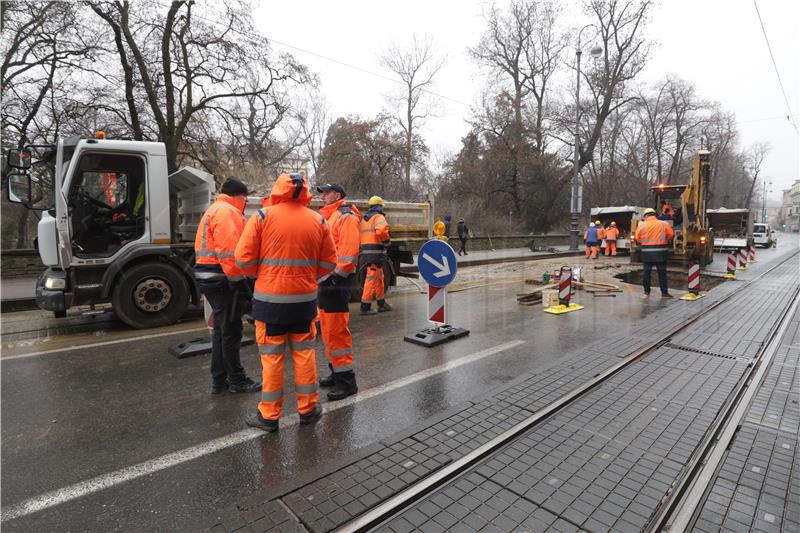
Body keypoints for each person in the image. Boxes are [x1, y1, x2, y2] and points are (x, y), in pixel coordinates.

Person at [235, 173, 337, 432]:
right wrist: (307, 277)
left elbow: (243, 259)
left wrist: (263, 274)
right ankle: (308, 410)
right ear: (305, 193)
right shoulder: (319, 220)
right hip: (304, 302)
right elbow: (329, 263)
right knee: (304, 356)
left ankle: (269, 416)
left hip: (270, 303)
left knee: (272, 360)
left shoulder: (262, 216)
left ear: (278, 189)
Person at [194, 176, 261, 395]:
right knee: (231, 330)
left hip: (209, 276)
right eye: (245, 200)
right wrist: (239, 283)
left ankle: (219, 380)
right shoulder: (227, 212)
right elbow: (230, 252)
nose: (245, 205)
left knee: (222, 329)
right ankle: (237, 380)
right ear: (240, 196)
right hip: (222, 278)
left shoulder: (215, 209)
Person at [316, 183, 360, 401]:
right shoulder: (331, 216)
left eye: (327, 192)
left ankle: (347, 382)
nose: (323, 196)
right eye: (322, 193)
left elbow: (349, 253)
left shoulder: (346, 216)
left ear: (338, 195)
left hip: (336, 281)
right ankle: (336, 372)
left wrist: (336, 277)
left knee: (337, 331)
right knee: (327, 329)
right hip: (328, 281)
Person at [360, 196, 392, 314]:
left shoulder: (364, 219)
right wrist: (387, 242)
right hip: (376, 253)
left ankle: (381, 303)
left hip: (366, 253)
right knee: (372, 278)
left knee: (379, 277)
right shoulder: (378, 217)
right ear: (380, 206)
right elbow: (382, 231)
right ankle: (365, 306)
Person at [634, 207, 674, 298]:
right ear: (654, 215)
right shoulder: (664, 224)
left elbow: (637, 238)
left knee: (647, 273)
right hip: (661, 253)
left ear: (646, 216)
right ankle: (664, 293)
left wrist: (645, 241)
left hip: (647, 254)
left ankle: (646, 293)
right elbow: (671, 235)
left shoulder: (642, 225)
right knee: (662, 273)